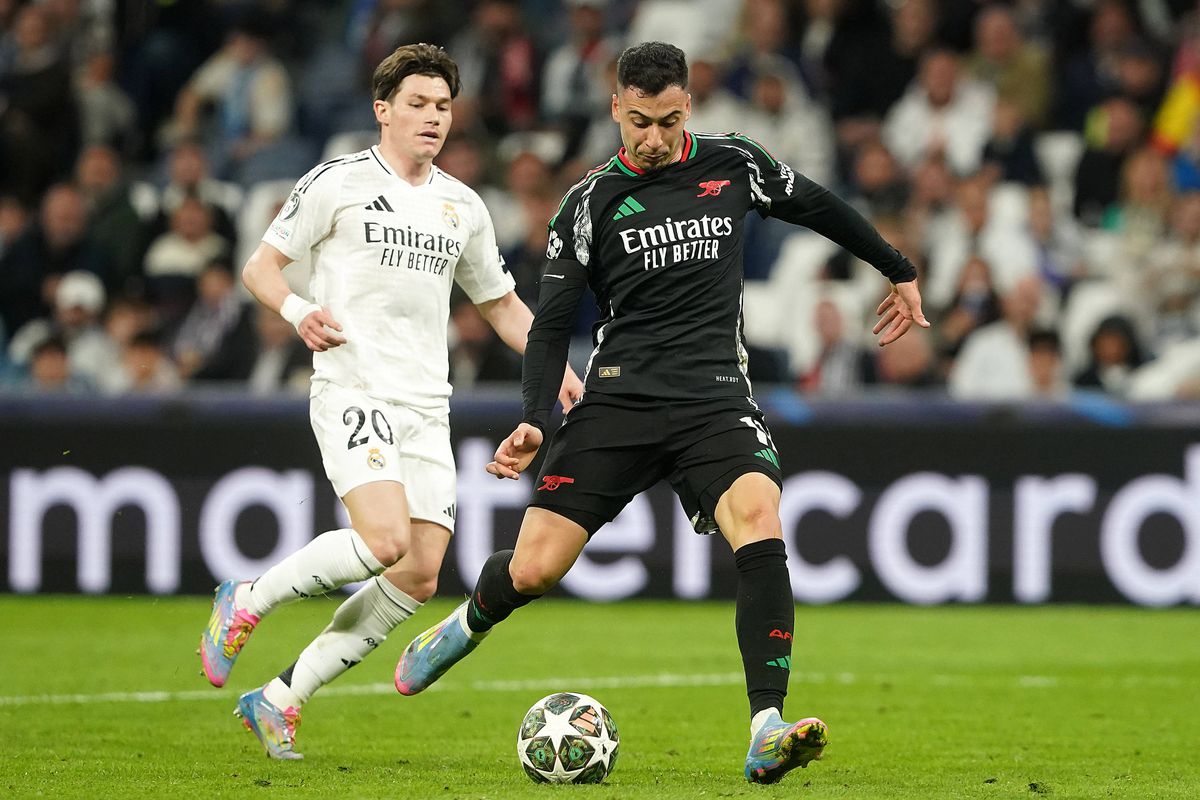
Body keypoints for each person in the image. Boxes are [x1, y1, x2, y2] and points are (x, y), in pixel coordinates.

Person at [393, 41, 928, 785]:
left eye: (669, 122)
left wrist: (897, 269)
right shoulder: (588, 203)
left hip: (715, 397)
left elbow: (818, 205)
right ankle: (466, 622)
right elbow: (550, 326)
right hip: (619, 400)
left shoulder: (734, 163)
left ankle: (766, 727)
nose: (654, 138)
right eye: (640, 122)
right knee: (535, 569)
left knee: (760, 517)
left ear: (688, 108)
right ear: (617, 108)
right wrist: (536, 416)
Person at [198, 43, 582, 760]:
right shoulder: (337, 182)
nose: (432, 117)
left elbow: (500, 304)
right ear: (383, 110)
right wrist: (297, 312)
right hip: (354, 385)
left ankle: (280, 698)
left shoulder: (462, 206)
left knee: (418, 574)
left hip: (427, 405)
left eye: (443, 106)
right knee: (383, 541)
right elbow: (260, 268)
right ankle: (246, 599)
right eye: (417, 104)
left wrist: (552, 360)